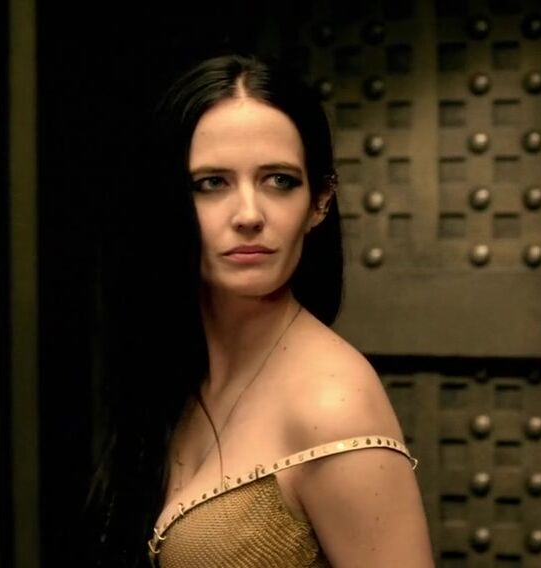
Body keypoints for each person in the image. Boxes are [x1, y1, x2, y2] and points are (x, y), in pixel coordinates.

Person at [85, 53, 432, 567]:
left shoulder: (334, 405)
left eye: (279, 180)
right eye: (212, 183)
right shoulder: (176, 376)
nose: (249, 215)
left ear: (320, 201)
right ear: (168, 201)